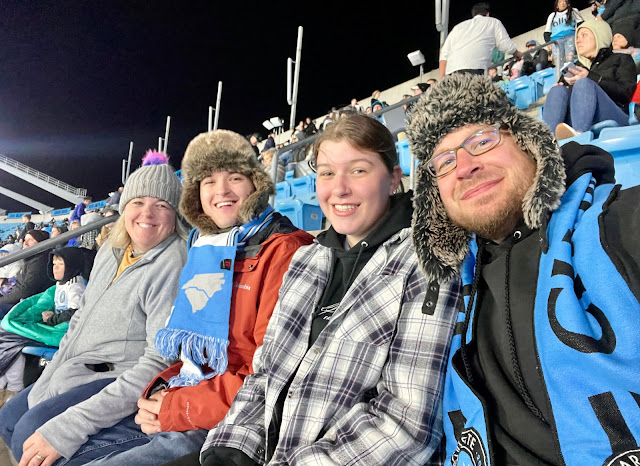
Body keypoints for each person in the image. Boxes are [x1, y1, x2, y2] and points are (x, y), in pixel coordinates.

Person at [168, 114, 462, 466]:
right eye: (326, 173)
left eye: (358, 170)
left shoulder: (427, 260)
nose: (339, 188)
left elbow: (405, 425)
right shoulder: (309, 259)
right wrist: (231, 447)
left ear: (394, 179)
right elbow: (265, 375)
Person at [407, 72, 640, 465]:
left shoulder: (621, 222)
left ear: (530, 144)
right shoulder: (447, 293)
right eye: (444, 162)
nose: (464, 166)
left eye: (482, 141)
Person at [57, 130, 314, 465]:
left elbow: (273, 378)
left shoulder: (286, 251)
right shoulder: (206, 248)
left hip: (239, 419)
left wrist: (176, 407)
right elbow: (191, 355)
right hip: (191, 392)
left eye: (234, 177)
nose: (221, 190)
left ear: (256, 185)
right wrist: (160, 392)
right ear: (197, 194)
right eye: (208, 181)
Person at [0, 151, 187, 465]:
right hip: (78, 366)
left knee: (29, 434)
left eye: (161, 205)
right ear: (125, 207)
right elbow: (78, 323)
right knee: (8, 420)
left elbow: (158, 362)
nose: (148, 213)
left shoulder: (173, 261)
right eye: (138, 202)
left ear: (175, 215)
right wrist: (48, 381)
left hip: (121, 376)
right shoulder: (111, 250)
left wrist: (73, 426)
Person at [0, 247, 94, 405]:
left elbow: (75, 313)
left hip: (61, 332)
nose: (55, 267)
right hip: (54, 327)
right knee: (7, 337)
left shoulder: (76, 286)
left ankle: (14, 388)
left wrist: (51, 319)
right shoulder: (60, 285)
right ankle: (4, 385)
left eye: (60, 264)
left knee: (12, 341)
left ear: (72, 266)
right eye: (54, 263)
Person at [542, 19, 636, 140]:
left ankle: (580, 136)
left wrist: (590, 77)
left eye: (584, 35)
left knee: (584, 83)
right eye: (577, 37)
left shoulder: (622, 59)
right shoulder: (575, 67)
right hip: (577, 117)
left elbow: (625, 92)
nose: (578, 40)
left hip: (613, 113)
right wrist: (562, 86)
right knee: (557, 91)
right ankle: (546, 143)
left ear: (599, 35)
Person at [439, 2, 523, 78]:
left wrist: (442, 78)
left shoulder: (458, 27)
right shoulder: (493, 22)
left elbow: (444, 53)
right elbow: (504, 44)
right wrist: (518, 53)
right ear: (487, 14)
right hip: (473, 69)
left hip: (451, 73)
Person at [0, 230, 54, 318]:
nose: (25, 242)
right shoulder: (31, 258)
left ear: (40, 242)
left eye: (30, 239)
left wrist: (2, 300)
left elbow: (26, 290)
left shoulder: (40, 261)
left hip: (27, 303)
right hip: (18, 298)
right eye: (25, 239)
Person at [544, 0, 584, 67]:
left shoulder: (573, 11)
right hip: (556, 40)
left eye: (564, 1)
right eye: (560, 2)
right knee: (558, 62)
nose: (562, 4)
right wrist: (548, 43)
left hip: (570, 37)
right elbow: (547, 32)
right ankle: (560, 76)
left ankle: (573, 74)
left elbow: (581, 23)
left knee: (570, 58)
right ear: (557, 5)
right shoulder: (552, 15)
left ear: (567, 3)